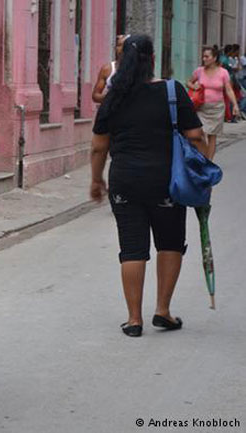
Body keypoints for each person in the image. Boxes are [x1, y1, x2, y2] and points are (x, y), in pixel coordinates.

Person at [90, 35, 207, 337]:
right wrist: (201, 173)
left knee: (132, 248)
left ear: (122, 60)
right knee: (170, 242)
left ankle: (133, 320)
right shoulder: (171, 91)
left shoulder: (113, 97)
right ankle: (162, 311)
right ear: (152, 59)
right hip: (166, 182)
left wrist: (96, 179)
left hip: (124, 181)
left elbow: (99, 146)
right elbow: (195, 135)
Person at [187, 46, 240, 156]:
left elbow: (229, 89)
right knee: (201, 133)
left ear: (214, 58)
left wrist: (235, 105)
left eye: (207, 56)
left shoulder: (223, 72)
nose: (204, 59)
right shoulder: (199, 71)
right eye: (203, 56)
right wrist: (193, 86)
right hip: (201, 107)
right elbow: (188, 82)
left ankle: (209, 161)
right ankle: (204, 157)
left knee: (212, 135)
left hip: (217, 108)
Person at [92, 34, 129, 103]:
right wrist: (111, 97)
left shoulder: (139, 68)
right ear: (115, 48)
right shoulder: (108, 69)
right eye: (119, 45)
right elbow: (95, 96)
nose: (122, 48)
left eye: (125, 45)